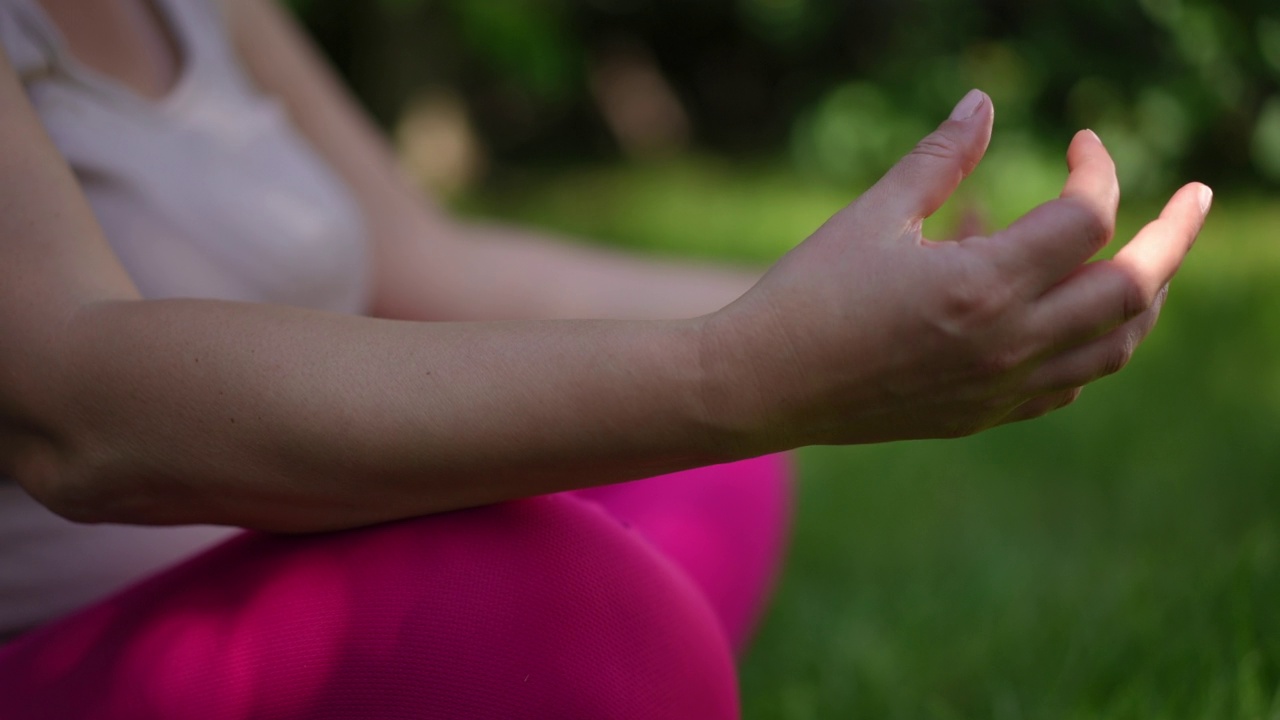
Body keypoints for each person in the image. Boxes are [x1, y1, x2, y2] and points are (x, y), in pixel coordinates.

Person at [0, 0, 1211, 718]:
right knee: (575, 612)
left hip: (263, 535)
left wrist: (838, 311)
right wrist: (741, 368)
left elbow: (422, 258)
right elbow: (77, 409)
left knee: (713, 476)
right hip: (69, 637)